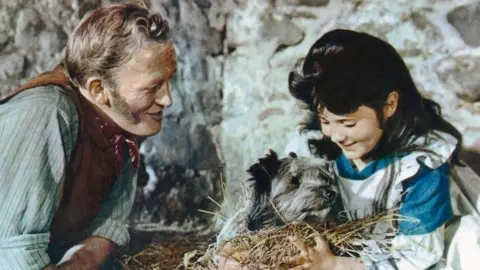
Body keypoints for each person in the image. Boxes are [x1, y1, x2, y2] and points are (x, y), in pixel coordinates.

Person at [217, 29, 475, 270]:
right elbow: (265, 210)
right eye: (326, 121)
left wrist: (337, 265)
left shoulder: (420, 168)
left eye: (348, 123)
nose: (337, 135)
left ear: (389, 105)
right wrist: (236, 249)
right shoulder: (313, 146)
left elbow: (418, 257)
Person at [0, 3, 176, 269]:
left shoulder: (123, 119)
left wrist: (83, 260)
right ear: (98, 89)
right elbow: (13, 253)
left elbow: (110, 222)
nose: (167, 99)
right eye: (153, 87)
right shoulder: (48, 113)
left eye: (168, 80)